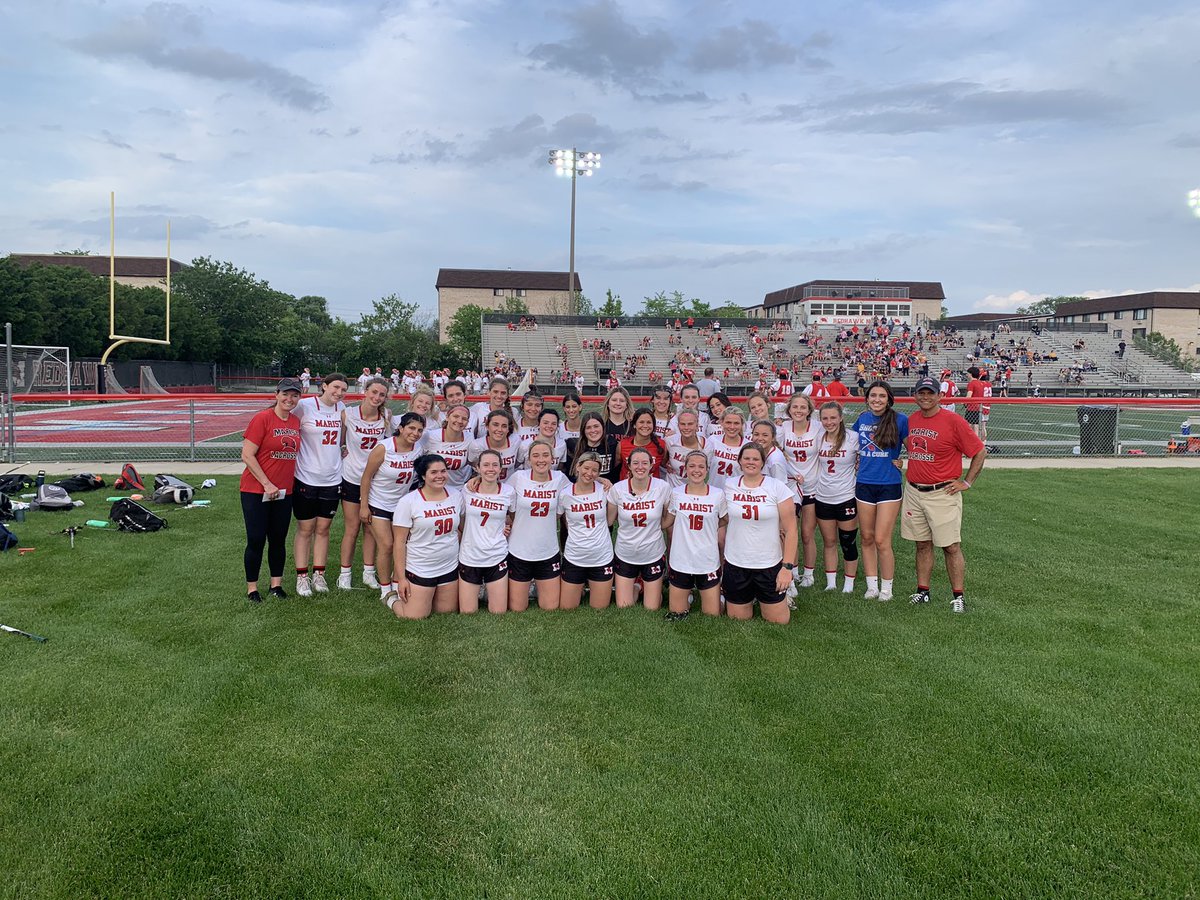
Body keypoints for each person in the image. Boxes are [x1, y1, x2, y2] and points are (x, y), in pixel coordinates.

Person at [903, 376, 987, 613]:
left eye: (930, 393)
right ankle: (923, 591)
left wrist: (967, 482)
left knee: (950, 546)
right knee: (921, 544)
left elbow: (979, 452)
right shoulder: (912, 420)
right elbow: (912, 448)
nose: (925, 397)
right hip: (914, 490)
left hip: (942, 492)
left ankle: (958, 596)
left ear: (940, 396)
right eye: (921, 393)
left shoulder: (953, 421)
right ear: (916, 395)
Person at [240, 378, 303, 602]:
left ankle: (276, 585)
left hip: (285, 492)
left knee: (278, 539)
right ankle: (252, 588)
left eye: (294, 395)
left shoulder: (296, 421)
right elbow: (247, 454)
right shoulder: (263, 418)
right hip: (256, 490)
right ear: (276, 394)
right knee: (256, 539)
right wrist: (266, 483)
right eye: (285, 394)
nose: (289, 399)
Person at [721, 443, 797, 623]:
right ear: (739, 461)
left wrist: (787, 568)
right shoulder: (729, 485)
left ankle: (780, 597)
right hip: (736, 562)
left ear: (763, 462)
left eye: (755, 459)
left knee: (779, 621)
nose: (751, 462)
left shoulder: (777, 487)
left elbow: (791, 530)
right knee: (737, 619)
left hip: (768, 563)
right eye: (746, 458)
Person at [291, 373, 348, 596]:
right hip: (306, 476)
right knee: (305, 529)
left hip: (333, 478)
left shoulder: (342, 408)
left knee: (323, 529)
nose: (339, 392)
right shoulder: (305, 406)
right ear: (323, 386)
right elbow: (280, 416)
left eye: (343, 389)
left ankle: (319, 574)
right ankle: (302, 576)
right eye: (335, 387)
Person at [360, 411, 426, 604]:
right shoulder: (384, 448)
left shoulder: (418, 449)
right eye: (412, 428)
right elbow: (366, 477)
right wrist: (364, 505)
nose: (415, 433)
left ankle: (398, 582)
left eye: (420, 430)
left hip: (402, 505)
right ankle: (385, 588)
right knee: (387, 545)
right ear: (401, 428)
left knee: (402, 545)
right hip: (379, 502)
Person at [387, 455, 462, 619]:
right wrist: (401, 578)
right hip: (420, 567)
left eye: (443, 471)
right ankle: (391, 599)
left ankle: (428, 596)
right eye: (433, 472)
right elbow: (399, 542)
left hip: (449, 565)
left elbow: (462, 527)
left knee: (446, 612)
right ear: (423, 475)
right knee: (416, 616)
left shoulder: (456, 495)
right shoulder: (409, 502)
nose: (440, 476)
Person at [853, 381, 908, 602]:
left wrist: (905, 461)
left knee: (882, 540)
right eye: (873, 395)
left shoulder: (900, 420)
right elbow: (852, 447)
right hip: (864, 483)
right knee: (866, 537)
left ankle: (887, 588)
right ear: (867, 398)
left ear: (889, 399)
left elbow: (915, 446)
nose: (877, 400)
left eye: (881, 396)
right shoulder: (862, 419)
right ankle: (871, 585)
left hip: (889, 484)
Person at [337, 377, 392, 591]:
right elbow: (340, 441)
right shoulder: (348, 414)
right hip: (352, 477)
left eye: (381, 394)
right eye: (374, 392)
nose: (377, 397)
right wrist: (343, 450)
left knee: (370, 529)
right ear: (365, 391)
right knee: (352, 528)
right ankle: (344, 574)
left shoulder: (386, 416)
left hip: (375, 481)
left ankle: (369, 573)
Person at [505, 439, 567, 611]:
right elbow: (499, 495)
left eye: (545, 455)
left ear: (553, 458)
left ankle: (536, 585)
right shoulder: (518, 478)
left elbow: (578, 493)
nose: (541, 460)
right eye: (536, 455)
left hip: (547, 550)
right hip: (519, 550)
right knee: (517, 608)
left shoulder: (560, 479)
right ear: (529, 459)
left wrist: (602, 479)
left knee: (550, 606)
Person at [664, 451, 727, 618]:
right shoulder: (676, 493)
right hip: (681, 559)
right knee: (677, 613)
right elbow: (667, 522)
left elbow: (724, 519)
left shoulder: (717, 494)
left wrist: (709, 526)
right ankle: (688, 596)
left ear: (707, 470)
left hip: (707, 560)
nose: (696, 470)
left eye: (701, 466)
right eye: (691, 466)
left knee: (712, 615)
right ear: (685, 469)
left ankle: (720, 596)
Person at [609, 447, 673, 610]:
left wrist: (656, 529)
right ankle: (638, 586)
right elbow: (610, 520)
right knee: (624, 606)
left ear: (652, 465)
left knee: (652, 607)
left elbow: (667, 519)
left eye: (645, 463)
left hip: (652, 552)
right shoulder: (618, 489)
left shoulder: (662, 487)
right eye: (635, 463)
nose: (640, 467)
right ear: (628, 465)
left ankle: (647, 586)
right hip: (626, 552)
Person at [457, 449, 516, 615]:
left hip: (496, 554)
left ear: (501, 468)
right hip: (470, 555)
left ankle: (485, 588)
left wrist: (505, 527)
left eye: (495, 465)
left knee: (498, 611)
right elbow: (460, 519)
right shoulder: (467, 490)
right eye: (486, 465)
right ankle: (480, 589)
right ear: (477, 468)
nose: (490, 469)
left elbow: (512, 517)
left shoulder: (508, 492)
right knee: (468, 611)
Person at [558, 452, 615, 610]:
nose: (589, 473)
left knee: (599, 607)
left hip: (601, 555)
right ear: (577, 466)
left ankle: (586, 587)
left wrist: (604, 480)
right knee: (567, 607)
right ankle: (579, 588)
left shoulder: (605, 490)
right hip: (575, 556)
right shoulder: (565, 494)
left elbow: (612, 519)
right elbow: (557, 518)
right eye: (586, 468)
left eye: (595, 470)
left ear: (599, 473)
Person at [814, 401, 860, 593]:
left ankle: (849, 583)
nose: (829, 422)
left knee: (847, 541)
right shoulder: (818, 436)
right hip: (823, 495)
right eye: (825, 418)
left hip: (846, 495)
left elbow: (869, 456)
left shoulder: (853, 437)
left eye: (833, 417)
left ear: (841, 418)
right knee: (829, 541)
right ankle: (831, 582)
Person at [779, 394, 822, 589]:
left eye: (803, 407)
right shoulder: (782, 427)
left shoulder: (818, 428)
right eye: (795, 406)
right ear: (789, 409)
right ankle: (793, 570)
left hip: (812, 486)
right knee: (790, 531)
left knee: (807, 533)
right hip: (790, 487)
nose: (798, 410)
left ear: (809, 410)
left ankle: (809, 573)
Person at [422, 403, 473, 488]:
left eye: (464, 419)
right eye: (456, 416)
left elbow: (473, 462)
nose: (460, 421)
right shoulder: (430, 436)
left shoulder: (469, 438)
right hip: (433, 488)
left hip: (458, 488)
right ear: (447, 417)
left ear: (467, 422)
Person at [467, 410, 520, 485]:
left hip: (509, 486)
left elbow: (518, 463)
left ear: (508, 429)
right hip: (486, 487)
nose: (499, 429)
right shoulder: (477, 446)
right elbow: (474, 467)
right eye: (495, 425)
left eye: (504, 426)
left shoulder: (515, 441)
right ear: (487, 426)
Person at [564, 412, 619, 482]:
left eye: (596, 426)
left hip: (606, 489)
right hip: (583, 489)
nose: (593, 430)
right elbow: (572, 474)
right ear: (583, 430)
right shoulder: (574, 445)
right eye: (588, 427)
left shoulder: (612, 444)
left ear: (603, 427)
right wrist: (598, 479)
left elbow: (616, 468)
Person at [617, 407, 668, 480]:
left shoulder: (662, 445)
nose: (645, 426)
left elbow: (666, 466)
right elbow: (615, 469)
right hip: (627, 489)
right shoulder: (622, 445)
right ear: (634, 425)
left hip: (653, 489)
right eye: (641, 422)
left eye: (649, 422)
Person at [664, 409, 706, 487]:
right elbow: (663, 462)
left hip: (694, 490)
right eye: (683, 424)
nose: (686, 427)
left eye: (690, 424)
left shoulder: (707, 445)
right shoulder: (670, 441)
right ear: (678, 426)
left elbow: (706, 472)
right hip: (673, 488)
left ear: (697, 426)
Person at [707, 408, 747, 489]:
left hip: (736, 494)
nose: (732, 427)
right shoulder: (712, 441)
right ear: (721, 422)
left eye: (736, 423)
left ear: (742, 424)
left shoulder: (748, 446)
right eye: (728, 422)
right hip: (714, 492)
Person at [750, 419, 789, 484]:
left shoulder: (775, 460)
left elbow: (780, 488)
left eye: (765, 435)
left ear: (773, 437)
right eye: (756, 434)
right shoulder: (759, 452)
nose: (760, 438)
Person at [964, 366, 987, 441]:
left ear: (971, 374)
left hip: (971, 407)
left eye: (968, 373)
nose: (967, 375)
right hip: (978, 407)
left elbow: (969, 395)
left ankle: (968, 440)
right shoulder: (981, 383)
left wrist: (965, 403)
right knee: (976, 425)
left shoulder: (971, 383)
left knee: (968, 426)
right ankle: (976, 440)